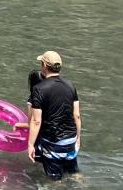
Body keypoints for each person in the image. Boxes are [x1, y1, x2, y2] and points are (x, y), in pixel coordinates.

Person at [26, 50, 82, 180]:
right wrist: (77, 138)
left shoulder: (39, 89)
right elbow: (77, 115)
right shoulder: (70, 85)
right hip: (71, 140)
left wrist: (30, 145)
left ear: (44, 65)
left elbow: (36, 121)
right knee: (74, 174)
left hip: (53, 142)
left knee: (55, 180)